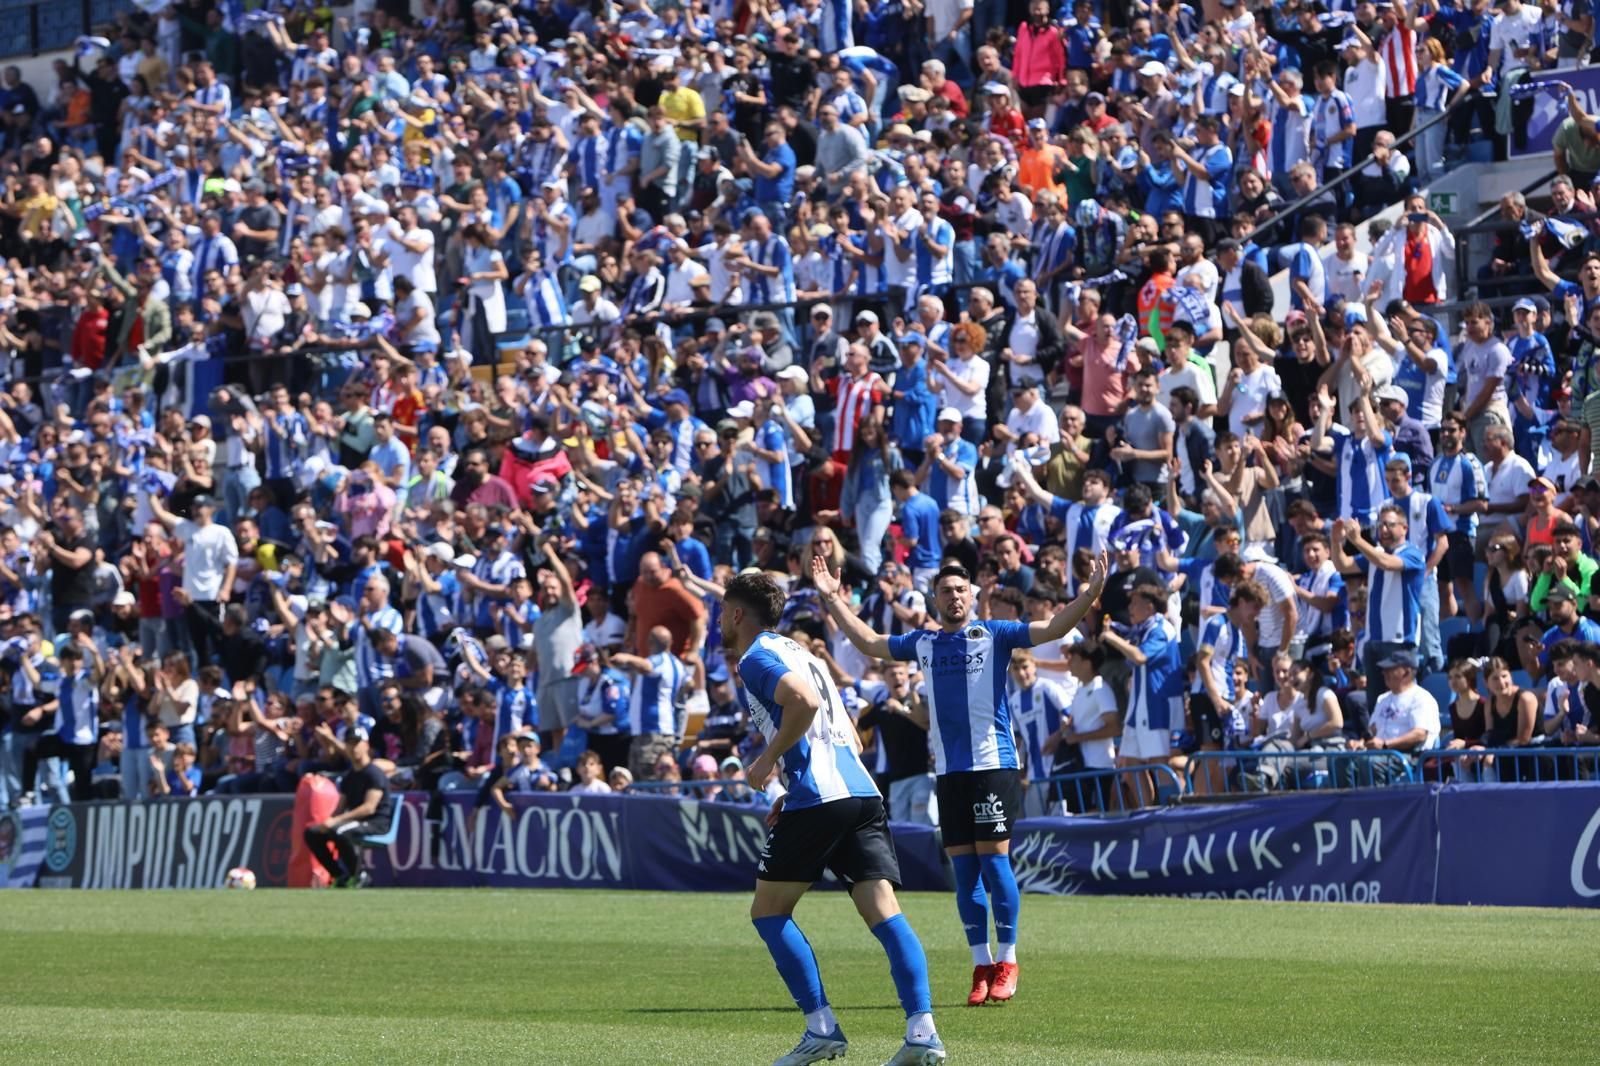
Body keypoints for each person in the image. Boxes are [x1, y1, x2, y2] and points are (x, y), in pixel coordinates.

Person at [816, 550, 1108, 1008]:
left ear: (971, 597)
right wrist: (833, 601)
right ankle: (982, 962)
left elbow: (1051, 629)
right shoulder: (925, 643)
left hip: (993, 765)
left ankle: (1009, 959)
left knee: (994, 863)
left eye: (960, 590)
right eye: (946, 591)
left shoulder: (995, 635)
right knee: (965, 870)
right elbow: (871, 642)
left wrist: (1089, 595)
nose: (954, 597)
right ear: (934, 598)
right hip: (949, 771)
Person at [721, 571, 945, 1066]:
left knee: (769, 911)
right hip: (861, 792)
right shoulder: (808, 657)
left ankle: (821, 1027)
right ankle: (922, 1032)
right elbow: (853, 737)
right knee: (884, 913)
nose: (720, 619)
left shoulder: (757, 656)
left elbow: (803, 704)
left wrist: (766, 763)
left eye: (722, 610)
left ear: (737, 614)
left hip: (821, 797)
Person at [300, 727, 393, 888]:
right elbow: (341, 806)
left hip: (375, 823)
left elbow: (369, 808)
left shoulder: (374, 774)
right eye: (349, 744)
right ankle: (339, 876)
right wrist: (328, 821)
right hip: (353, 822)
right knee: (312, 833)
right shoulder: (350, 776)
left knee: (340, 830)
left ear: (366, 745)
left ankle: (360, 876)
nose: (353, 748)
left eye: (357, 743)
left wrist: (336, 821)